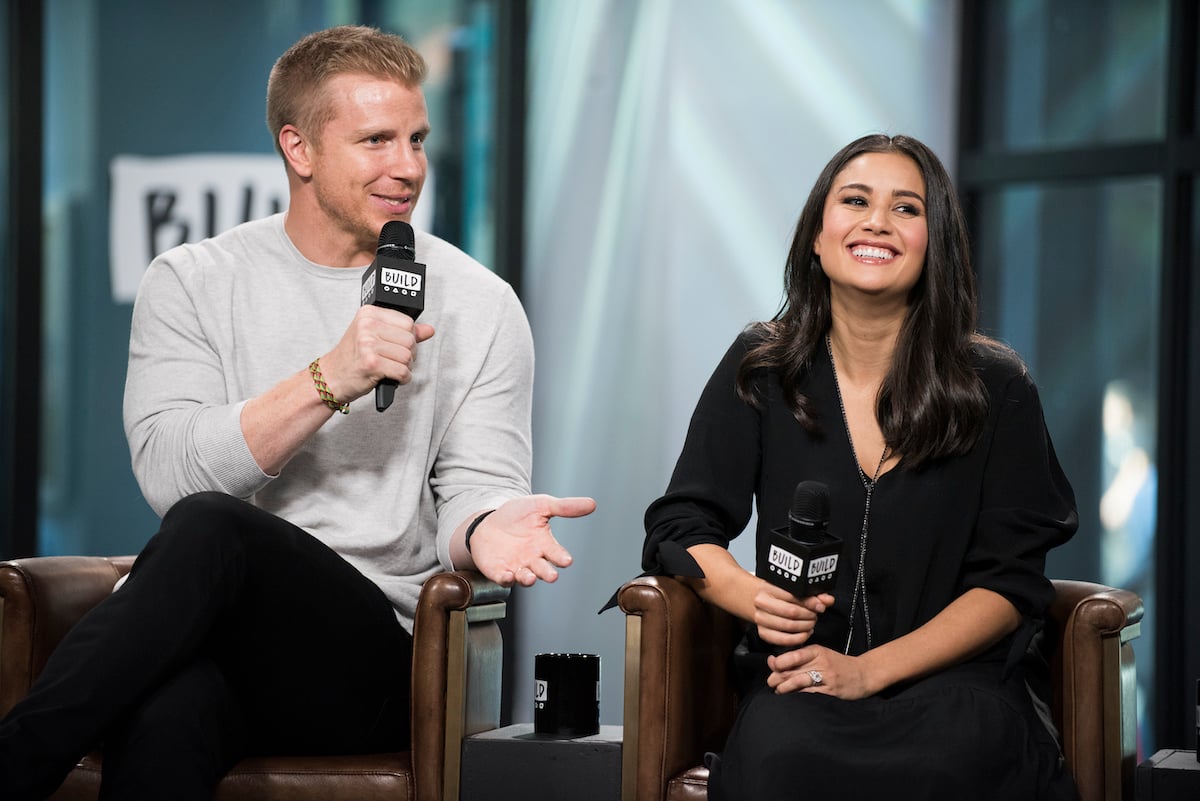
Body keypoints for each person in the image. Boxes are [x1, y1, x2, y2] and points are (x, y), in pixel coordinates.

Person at [0, 24, 594, 801]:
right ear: (299, 148)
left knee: (216, 526)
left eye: (416, 138)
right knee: (168, 715)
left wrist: (487, 526)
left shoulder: (481, 303)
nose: (408, 166)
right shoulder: (192, 280)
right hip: (210, 644)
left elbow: (477, 490)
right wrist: (333, 376)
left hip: (366, 658)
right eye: (377, 140)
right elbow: (171, 477)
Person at [641, 133, 1078, 800]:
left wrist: (869, 671)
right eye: (855, 200)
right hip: (800, 678)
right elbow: (681, 523)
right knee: (780, 762)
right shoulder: (763, 367)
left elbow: (1011, 582)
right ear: (818, 236)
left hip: (957, 684)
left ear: (936, 244)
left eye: (907, 208)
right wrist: (749, 594)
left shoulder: (996, 385)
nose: (877, 221)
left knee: (952, 764)